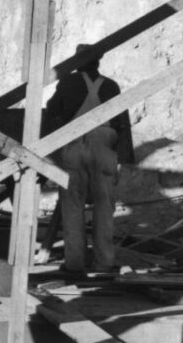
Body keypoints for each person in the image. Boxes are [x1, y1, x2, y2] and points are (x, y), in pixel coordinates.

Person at [45, 44, 133, 278]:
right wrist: (123, 157)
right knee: (105, 206)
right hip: (105, 144)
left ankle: (74, 263)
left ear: (77, 62)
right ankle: (104, 263)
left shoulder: (69, 83)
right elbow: (122, 123)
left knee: (72, 203)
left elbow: (52, 110)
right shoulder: (111, 86)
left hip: (75, 144)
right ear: (99, 61)